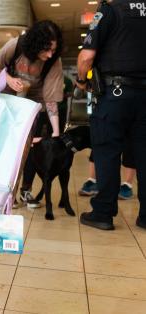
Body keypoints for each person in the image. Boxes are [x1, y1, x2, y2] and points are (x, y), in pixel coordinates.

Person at [76, 0, 146, 231]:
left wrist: (82, 81)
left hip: (115, 94)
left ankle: (103, 213)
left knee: (106, 151)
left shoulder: (110, 10)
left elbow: (86, 57)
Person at [0, 20, 64, 208]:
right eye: (46, 49)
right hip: (5, 103)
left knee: (28, 149)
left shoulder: (53, 61)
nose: (50, 54)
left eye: (53, 50)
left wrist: (56, 132)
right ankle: (3, 192)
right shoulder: (15, 46)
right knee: (5, 151)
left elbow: (50, 98)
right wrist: (9, 79)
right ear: (35, 43)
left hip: (31, 106)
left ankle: (24, 190)